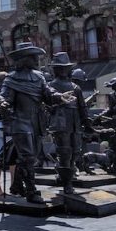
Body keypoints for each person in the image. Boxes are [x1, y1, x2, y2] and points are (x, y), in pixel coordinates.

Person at [0, 42, 72, 204]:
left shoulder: (39, 77)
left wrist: (59, 96)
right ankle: (31, 191)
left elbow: (47, 93)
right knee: (28, 157)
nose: (37, 59)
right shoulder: (11, 78)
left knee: (32, 157)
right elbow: (3, 96)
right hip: (20, 121)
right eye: (33, 56)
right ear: (24, 59)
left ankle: (17, 185)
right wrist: (2, 103)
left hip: (36, 122)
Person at [47, 52, 89, 194]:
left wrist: (87, 123)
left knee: (75, 151)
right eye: (60, 67)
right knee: (65, 152)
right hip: (60, 123)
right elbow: (46, 106)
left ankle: (66, 176)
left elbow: (82, 108)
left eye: (65, 67)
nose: (63, 70)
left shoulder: (75, 87)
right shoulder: (50, 86)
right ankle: (67, 183)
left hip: (74, 123)